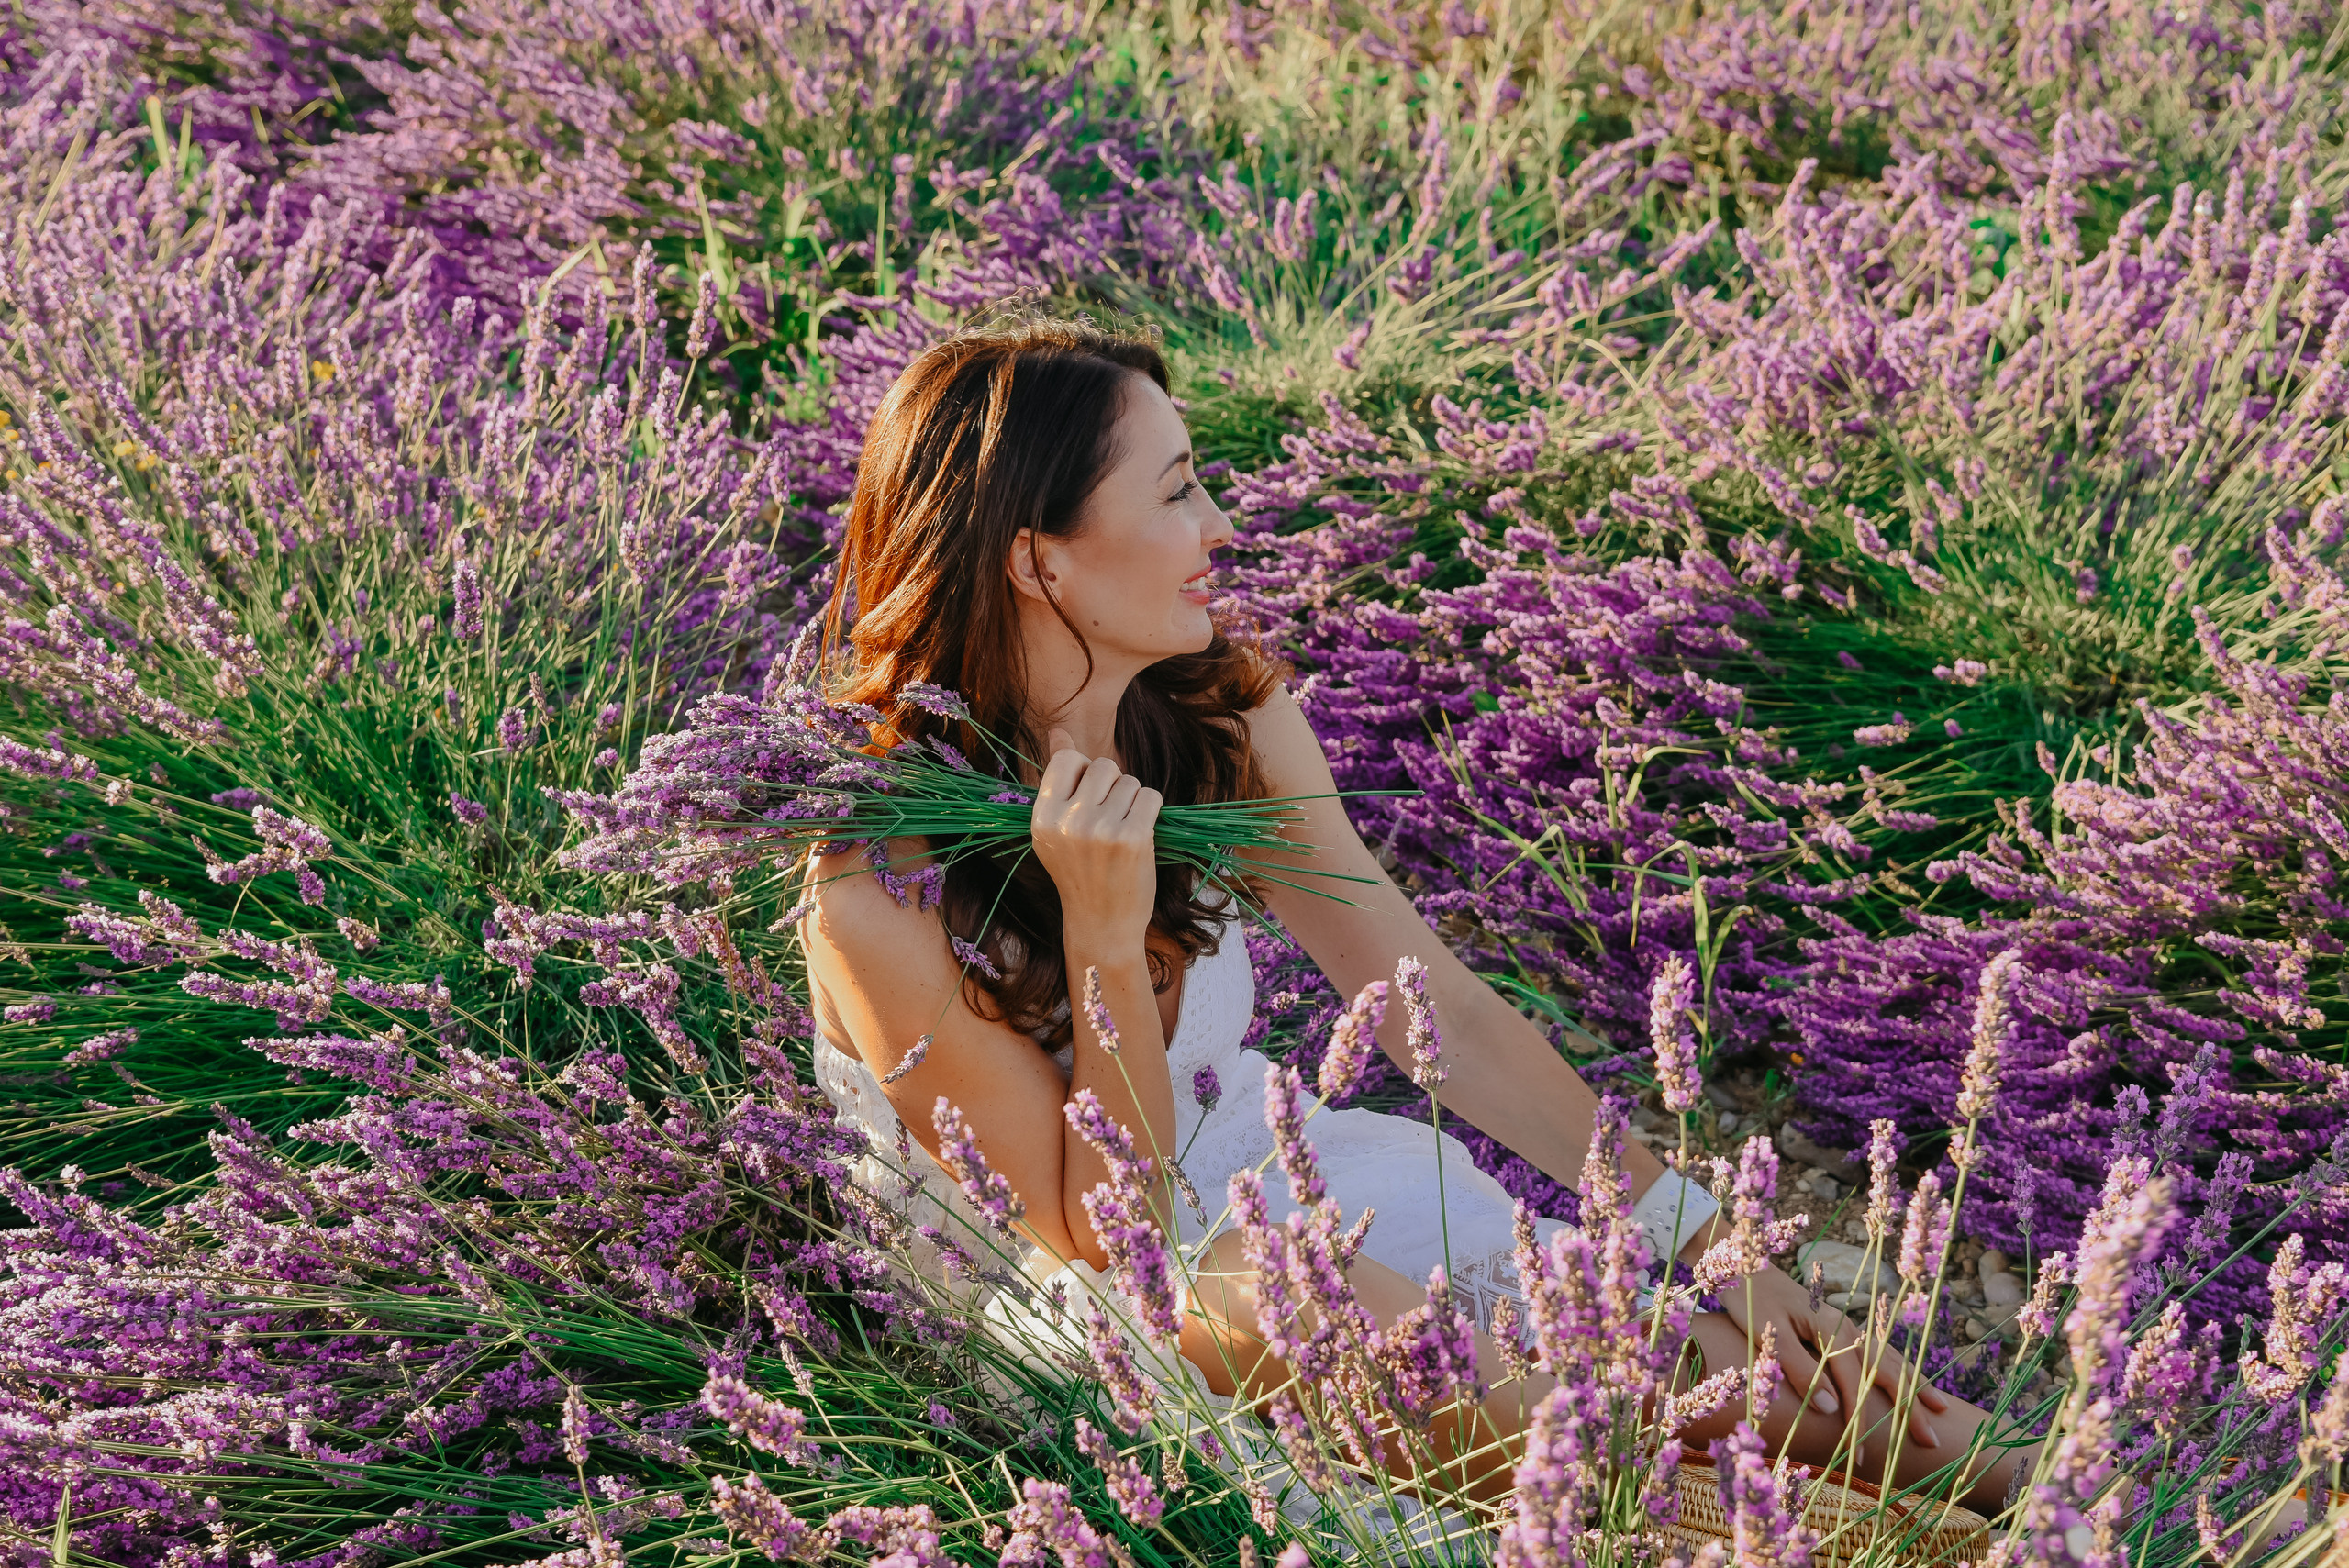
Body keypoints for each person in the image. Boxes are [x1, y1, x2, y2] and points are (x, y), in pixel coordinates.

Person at [794, 310, 2028, 1516]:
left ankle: (2066, 1512)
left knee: (1824, 1389)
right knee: (1284, 1286)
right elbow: (1104, 1239)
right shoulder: (876, 887)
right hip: (1085, 1310)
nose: (1219, 526)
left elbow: (1437, 1013)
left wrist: (1707, 1240)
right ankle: (1686, 1512)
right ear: (1038, 561)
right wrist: (1104, 939)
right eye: (1176, 493)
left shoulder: (1217, 721)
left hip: (1284, 1186)